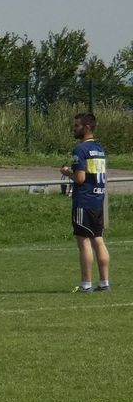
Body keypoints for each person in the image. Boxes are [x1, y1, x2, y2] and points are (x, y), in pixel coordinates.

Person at [61, 112, 110, 293]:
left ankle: (86, 284)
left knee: (84, 243)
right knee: (98, 240)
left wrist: (67, 172)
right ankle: (104, 282)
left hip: (84, 200)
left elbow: (80, 178)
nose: (74, 129)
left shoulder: (80, 150)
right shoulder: (99, 149)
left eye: (77, 126)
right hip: (98, 200)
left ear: (87, 128)